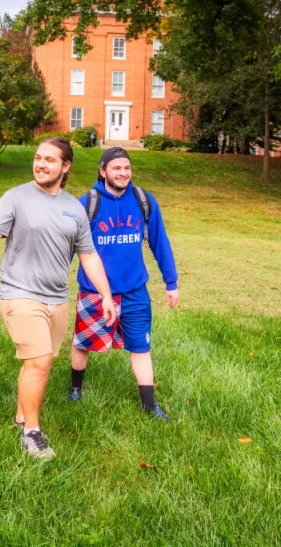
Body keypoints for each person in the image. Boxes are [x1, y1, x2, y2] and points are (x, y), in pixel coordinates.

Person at [0, 137, 116, 459]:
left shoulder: (74, 209)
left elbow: (89, 256)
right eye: (38, 158)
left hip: (57, 299)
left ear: (65, 166)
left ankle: (20, 417)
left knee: (37, 361)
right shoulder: (16, 198)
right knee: (39, 361)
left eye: (49, 159)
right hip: (19, 294)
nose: (41, 164)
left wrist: (105, 296)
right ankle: (32, 433)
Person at [69, 147, 179, 420]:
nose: (123, 173)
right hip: (94, 292)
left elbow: (159, 241)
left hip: (134, 291)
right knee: (83, 343)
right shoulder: (87, 203)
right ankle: (74, 388)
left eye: (127, 168)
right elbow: (69, 247)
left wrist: (171, 281)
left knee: (141, 346)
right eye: (116, 168)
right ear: (103, 171)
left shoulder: (143, 200)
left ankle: (149, 405)